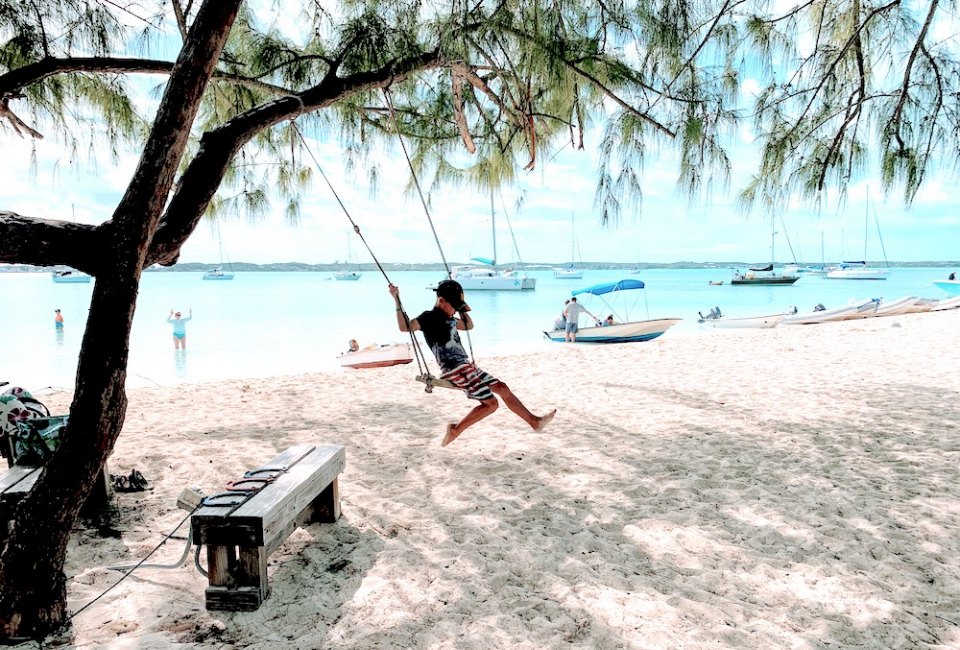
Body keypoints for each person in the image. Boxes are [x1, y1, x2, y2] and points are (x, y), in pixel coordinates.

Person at [389, 280, 556, 447]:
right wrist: (397, 299)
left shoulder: (452, 319)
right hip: (454, 370)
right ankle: (455, 430)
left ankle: (534, 422)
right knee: (491, 404)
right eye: (453, 305)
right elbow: (405, 326)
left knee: (502, 388)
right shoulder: (428, 318)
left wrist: (461, 308)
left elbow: (469, 325)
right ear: (441, 301)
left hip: (467, 367)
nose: (454, 309)